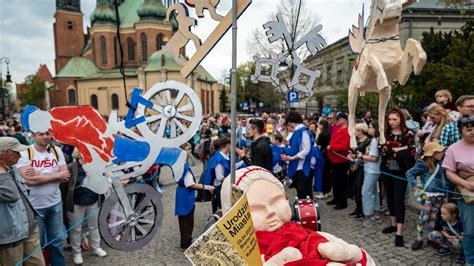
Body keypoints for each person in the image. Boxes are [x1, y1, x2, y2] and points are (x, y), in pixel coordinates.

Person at [17, 131, 70, 266]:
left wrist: (39, 175)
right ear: (33, 135)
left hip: (55, 202)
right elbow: (29, 181)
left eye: (47, 133)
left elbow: (65, 176)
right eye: (41, 134)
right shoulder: (25, 154)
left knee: (57, 242)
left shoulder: (56, 151)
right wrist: (55, 176)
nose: (45, 137)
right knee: (37, 244)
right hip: (35, 206)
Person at [0, 137, 45, 266]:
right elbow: (11, 195)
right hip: (11, 236)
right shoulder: (4, 172)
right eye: (16, 152)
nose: (20, 155)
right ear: (4, 153)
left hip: (30, 228)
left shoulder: (11, 167)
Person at [63, 148, 107, 264]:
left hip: (93, 200)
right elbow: (64, 187)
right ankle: (76, 253)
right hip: (76, 202)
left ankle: (96, 247)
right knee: (76, 229)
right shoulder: (71, 167)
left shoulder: (94, 165)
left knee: (94, 226)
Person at [380, 108, 416, 247]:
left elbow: (412, 151)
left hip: (401, 171)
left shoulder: (408, 134)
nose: (392, 122)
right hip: (387, 169)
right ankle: (393, 223)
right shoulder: (386, 134)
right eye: (390, 119)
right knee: (389, 197)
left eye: (395, 119)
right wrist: (400, 149)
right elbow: (382, 151)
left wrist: (395, 150)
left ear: (401, 119)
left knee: (398, 199)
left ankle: (399, 232)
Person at [442, 115, 474, 264]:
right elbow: (449, 172)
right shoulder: (454, 149)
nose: (472, 131)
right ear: (461, 130)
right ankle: (470, 261)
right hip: (467, 194)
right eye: (469, 129)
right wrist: (465, 183)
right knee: (470, 230)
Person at [406, 142, 447, 251]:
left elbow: (444, 180)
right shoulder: (422, 163)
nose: (442, 153)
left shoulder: (441, 163)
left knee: (433, 217)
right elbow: (409, 173)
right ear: (433, 153)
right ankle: (419, 238)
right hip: (428, 195)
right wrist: (415, 183)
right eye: (439, 151)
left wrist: (446, 194)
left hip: (439, 195)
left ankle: (431, 237)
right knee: (424, 216)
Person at [175, 162, 215, 249]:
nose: (190, 151)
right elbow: (190, 184)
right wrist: (206, 187)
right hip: (185, 195)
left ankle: (185, 241)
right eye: (188, 149)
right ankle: (186, 243)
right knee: (187, 220)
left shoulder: (178, 164)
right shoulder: (184, 166)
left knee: (184, 220)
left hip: (181, 193)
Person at [281, 111, 314, 200]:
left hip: (303, 167)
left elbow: (306, 149)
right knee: (301, 192)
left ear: (291, 121)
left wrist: (291, 158)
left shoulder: (303, 131)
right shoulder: (298, 131)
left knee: (303, 192)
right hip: (298, 166)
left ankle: (306, 212)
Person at [360, 122, 382, 228]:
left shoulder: (375, 140)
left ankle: (370, 215)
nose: (368, 129)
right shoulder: (376, 140)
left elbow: (374, 158)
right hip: (371, 169)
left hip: (373, 169)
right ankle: (376, 213)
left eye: (370, 127)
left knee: (366, 191)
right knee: (374, 191)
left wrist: (361, 157)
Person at [327, 112, 350, 210]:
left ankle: (342, 201)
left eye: (338, 119)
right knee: (335, 181)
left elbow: (344, 146)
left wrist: (332, 147)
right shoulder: (338, 129)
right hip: (334, 160)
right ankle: (336, 198)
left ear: (343, 120)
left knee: (342, 182)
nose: (336, 120)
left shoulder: (347, 131)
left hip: (341, 160)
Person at [348, 123, 371, 220]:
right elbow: (351, 153)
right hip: (355, 167)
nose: (355, 132)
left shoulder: (367, 141)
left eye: (356, 130)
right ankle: (357, 208)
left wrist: (356, 160)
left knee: (359, 189)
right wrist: (351, 159)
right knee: (354, 188)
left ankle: (361, 211)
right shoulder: (356, 141)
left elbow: (367, 156)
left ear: (360, 131)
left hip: (363, 168)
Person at [316, 119, 331, 198]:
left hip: (322, 155)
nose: (318, 125)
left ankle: (323, 192)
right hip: (328, 156)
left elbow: (319, 147)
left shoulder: (322, 134)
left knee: (323, 174)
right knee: (327, 174)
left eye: (319, 124)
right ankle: (327, 191)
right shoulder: (329, 132)